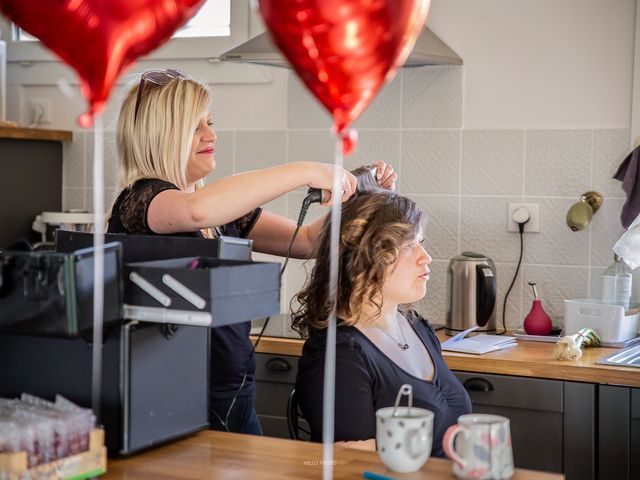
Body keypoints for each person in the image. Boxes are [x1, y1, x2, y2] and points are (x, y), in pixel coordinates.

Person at [106, 68, 397, 435]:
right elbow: (196, 210)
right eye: (195, 127)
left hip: (236, 395)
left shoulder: (222, 212)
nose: (211, 135)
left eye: (210, 123)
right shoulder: (142, 201)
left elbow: (308, 241)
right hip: (173, 403)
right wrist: (305, 170)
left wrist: (362, 194)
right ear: (162, 135)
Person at [292, 190, 471, 457]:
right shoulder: (339, 356)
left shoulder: (417, 328)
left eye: (421, 242)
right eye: (410, 245)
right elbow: (350, 466)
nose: (426, 257)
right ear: (366, 256)